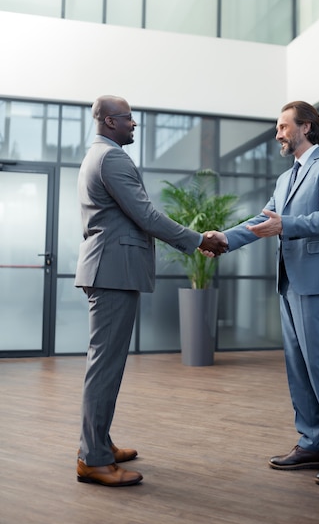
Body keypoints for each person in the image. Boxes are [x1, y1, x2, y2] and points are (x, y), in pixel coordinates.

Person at [204, 100, 319, 486]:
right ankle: (311, 443)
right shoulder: (284, 178)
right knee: (297, 368)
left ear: (306, 127)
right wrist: (226, 238)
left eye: (282, 126)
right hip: (289, 282)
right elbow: (264, 221)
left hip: (318, 282)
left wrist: (284, 225)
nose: (278, 134)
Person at [74, 94, 227, 487]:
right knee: (104, 366)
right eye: (128, 118)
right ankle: (92, 459)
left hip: (110, 268)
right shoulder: (112, 158)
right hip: (113, 271)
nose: (134, 124)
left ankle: (100, 445)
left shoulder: (98, 155)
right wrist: (197, 239)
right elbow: (145, 214)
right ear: (109, 122)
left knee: (106, 364)